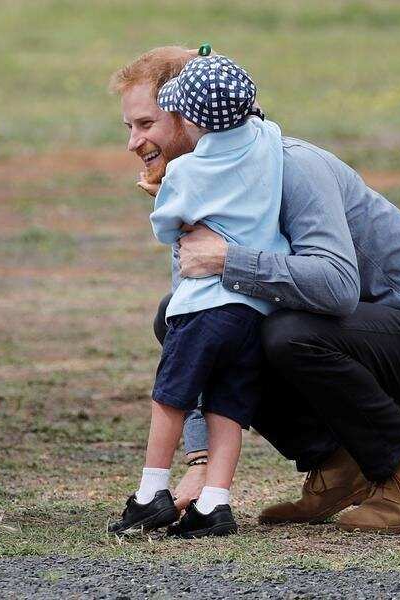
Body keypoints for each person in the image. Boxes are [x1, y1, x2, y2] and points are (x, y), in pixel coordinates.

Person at [111, 46, 400, 534]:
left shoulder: (291, 164)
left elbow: (338, 287)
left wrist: (228, 258)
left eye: (145, 124)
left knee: (287, 332)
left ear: (188, 117)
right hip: (349, 333)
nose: (134, 143)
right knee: (187, 316)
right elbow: (194, 323)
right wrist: (198, 460)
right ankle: (335, 465)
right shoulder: (202, 184)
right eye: (129, 128)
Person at [109, 54, 288, 538]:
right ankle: (216, 503)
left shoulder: (186, 174)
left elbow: (167, 226)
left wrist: (164, 195)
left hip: (203, 308)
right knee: (228, 405)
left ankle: (150, 493)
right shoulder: (269, 144)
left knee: (171, 396)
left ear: (188, 120)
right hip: (252, 311)